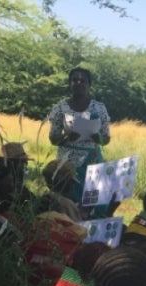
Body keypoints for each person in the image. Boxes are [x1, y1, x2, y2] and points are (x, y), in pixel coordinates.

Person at [48, 67, 111, 214]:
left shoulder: (99, 108)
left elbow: (107, 138)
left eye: (83, 80)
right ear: (69, 84)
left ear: (89, 85)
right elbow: (53, 138)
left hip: (92, 160)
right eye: (74, 80)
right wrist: (66, 137)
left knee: (93, 201)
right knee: (66, 201)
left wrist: (98, 138)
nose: (78, 83)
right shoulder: (60, 107)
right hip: (67, 162)